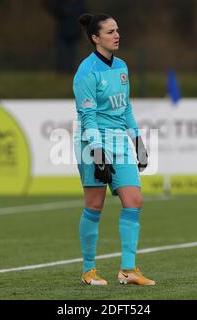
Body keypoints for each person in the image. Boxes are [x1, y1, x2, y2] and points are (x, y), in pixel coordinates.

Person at [73, 13, 155, 286]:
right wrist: (97, 152)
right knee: (94, 206)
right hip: (92, 140)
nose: (116, 35)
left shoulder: (122, 66)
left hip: (119, 141)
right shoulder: (86, 71)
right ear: (95, 38)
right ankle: (88, 271)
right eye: (109, 32)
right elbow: (88, 117)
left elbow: (126, 107)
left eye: (117, 30)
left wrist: (138, 141)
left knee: (134, 200)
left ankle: (128, 270)